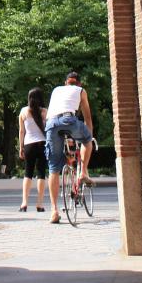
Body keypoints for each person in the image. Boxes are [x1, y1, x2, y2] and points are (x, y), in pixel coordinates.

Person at [45, 71, 94, 224]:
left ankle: (54, 211)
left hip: (51, 124)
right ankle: (83, 172)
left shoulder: (56, 90)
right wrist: (89, 136)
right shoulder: (81, 91)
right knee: (87, 141)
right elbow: (87, 118)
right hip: (69, 120)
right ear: (79, 83)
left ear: (65, 82)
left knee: (53, 168)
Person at [18, 87, 47, 212]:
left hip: (29, 145)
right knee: (41, 174)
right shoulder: (45, 112)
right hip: (42, 144)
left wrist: (21, 147)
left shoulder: (23, 111)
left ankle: (24, 203)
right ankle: (39, 204)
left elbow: (21, 131)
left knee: (28, 173)